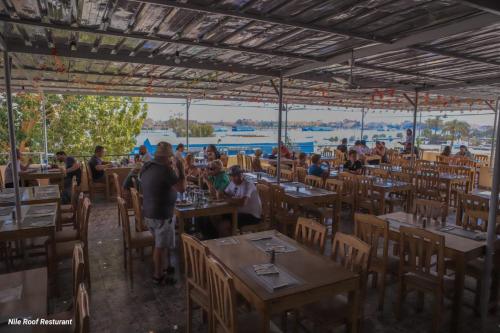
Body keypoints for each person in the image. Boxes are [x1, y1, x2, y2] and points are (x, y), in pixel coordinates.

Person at [140, 141, 186, 285]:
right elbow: (181, 188)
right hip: (162, 214)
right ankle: (158, 276)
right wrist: (181, 169)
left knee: (161, 244)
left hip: (148, 212)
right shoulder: (166, 170)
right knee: (160, 247)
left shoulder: (147, 166)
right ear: (167, 157)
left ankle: (166, 268)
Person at [220, 165, 262, 236]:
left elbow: (243, 202)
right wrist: (223, 195)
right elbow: (225, 194)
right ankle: (226, 237)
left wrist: (228, 199)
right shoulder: (232, 183)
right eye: (232, 176)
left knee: (222, 225)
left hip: (252, 216)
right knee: (217, 216)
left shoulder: (248, 185)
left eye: (237, 175)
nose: (235, 178)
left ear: (242, 175)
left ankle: (231, 241)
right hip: (238, 212)